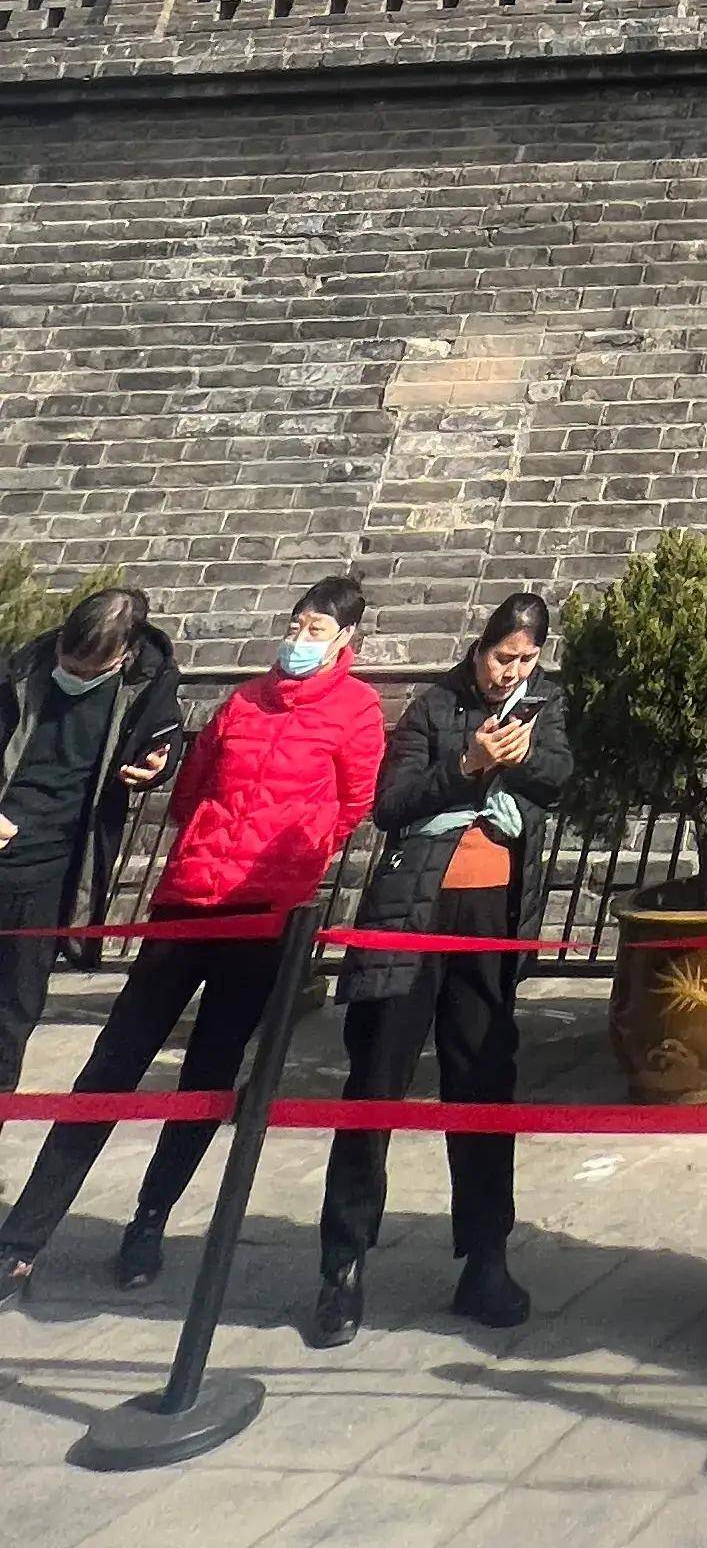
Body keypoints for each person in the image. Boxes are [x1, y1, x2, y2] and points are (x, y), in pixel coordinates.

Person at [0, 569, 386, 1306]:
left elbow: (354, 805)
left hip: (267, 916)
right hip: (188, 899)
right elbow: (190, 789)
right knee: (110, 1066)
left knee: (206, 1076)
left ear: (347, 641)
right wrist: (211, 837)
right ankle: (22, 1239)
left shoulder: (358, 711)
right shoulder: (242, 698)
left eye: (316, 631)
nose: (299, 639)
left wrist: (293, 859)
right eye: (296, 623)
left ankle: (149, 1219)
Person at [311, 590, 572, 1348]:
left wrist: (520, 763)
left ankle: (485, 1258)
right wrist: (467, 764)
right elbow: (390, 804)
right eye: (500, 657)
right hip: (410, 915)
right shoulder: (433, 706)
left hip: (489, 923)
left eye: (524, 660)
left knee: (484, 1083)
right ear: (478, 647)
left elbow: (560, 774)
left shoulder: (543, 706)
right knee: (375, 1086)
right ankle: (342, 1265)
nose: (509, 673)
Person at [0, 589, 183, 1092]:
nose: (73, 677)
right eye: (68, 663)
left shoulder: (150, 688)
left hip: (53, 869)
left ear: (123, 657)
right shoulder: (19, 672)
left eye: (88, 672)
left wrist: (155, 767)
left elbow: (165, 743)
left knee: (12, 1014)